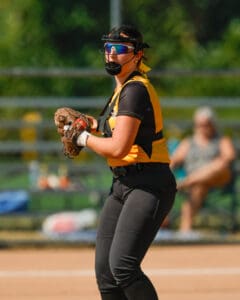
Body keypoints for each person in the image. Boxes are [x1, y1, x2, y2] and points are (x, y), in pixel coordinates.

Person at [73, 24, 177, 299]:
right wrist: (92, 124)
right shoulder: (122, 91)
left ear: (138, 55)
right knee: (106, 276)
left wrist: (82, 138)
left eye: (120, 49)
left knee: (123, 266)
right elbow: (115, 128)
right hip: (122, 185)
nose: (111, 55)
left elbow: (119, 147)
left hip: (148, 185)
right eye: (108, 48)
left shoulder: (135, 90)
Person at [170, 106, 236, 233]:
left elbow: (229, 157)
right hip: (197, 184)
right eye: (200, 124)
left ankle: (187, 182)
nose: (203, 127)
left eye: (206, 124)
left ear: (213, 124)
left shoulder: (222, 140)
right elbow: (174, 160)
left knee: (218, 165)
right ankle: (185, 231)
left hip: (218, 180)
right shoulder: (188, 142)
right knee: (199, 185)